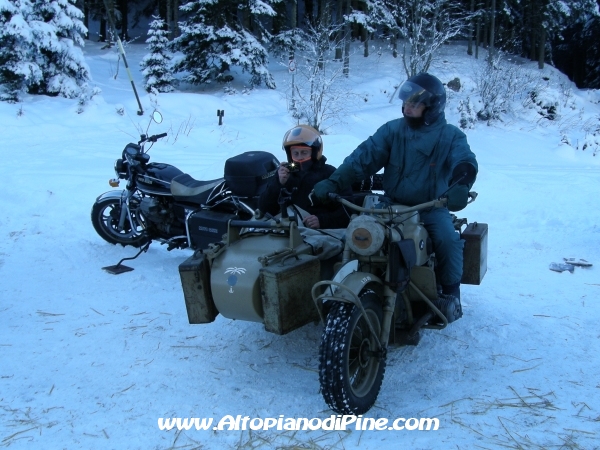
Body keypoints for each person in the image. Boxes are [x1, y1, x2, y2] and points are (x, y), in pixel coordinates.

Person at [312, 73, 478, 300]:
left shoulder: (450, 136)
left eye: (414, 104)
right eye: (405, 102)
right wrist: (334, 181)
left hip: (430, 208)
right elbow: (363, 158)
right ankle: (339, 284)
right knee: (354, 235)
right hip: (389, 206)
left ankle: (451, 293)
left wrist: (462, 182)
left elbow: (464, 159)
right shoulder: (392, 131)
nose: (407, 108)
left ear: (432, 107)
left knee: (448, 240)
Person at [258, 125, 351, 229]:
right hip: (285, 229)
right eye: (295, 153)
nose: (300, 157)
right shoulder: (285, 174)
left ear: (314, 152)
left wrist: (322, 221)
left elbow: (348, 210)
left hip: (318, 233)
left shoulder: (330, 174)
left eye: (304, 152)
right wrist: (278, 184)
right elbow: (264, 210)